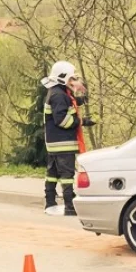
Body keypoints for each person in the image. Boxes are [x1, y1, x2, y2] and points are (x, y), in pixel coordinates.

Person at [41, 60, 95, 216]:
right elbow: (62, 121)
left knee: (52, 175)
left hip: (55, 144)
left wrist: (82, 99)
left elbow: (68, 103)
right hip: (63, 144)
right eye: (72, 78)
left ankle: (50, 202)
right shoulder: (58, 95)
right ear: (62, 77)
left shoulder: (58, 92)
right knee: (67, 176)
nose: (75, 81)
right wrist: (82, 122)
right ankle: (70, 206)